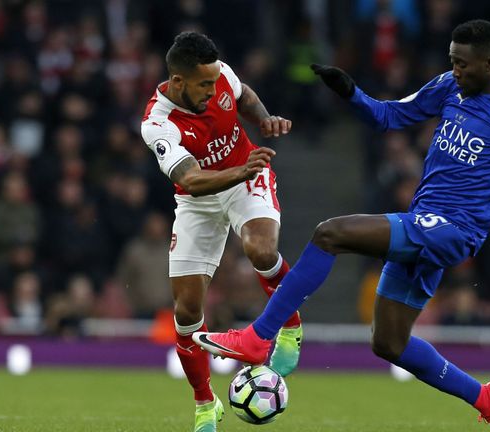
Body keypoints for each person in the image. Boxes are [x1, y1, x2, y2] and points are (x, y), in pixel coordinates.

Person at [194, 20, 490, 432]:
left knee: (329, 233)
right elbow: (388, 116)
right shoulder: (448, 87)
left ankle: (258, 336)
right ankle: (486, 398)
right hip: (425, 225)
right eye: (452, 60)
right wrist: (350, 92)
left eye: (463, 63)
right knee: (388, 343)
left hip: (453, 230)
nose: (454, 70)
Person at [139, 32, 303, 432]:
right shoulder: (157, 123)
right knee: (186, 312)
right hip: (199, 199)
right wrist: (239, 171)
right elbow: (191, 180)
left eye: (215, 82)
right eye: (204, 85)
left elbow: (243, 93)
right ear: (178, 82)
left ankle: (290, 325)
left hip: (247, 178)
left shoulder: (218, 76)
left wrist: (262, 118)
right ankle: (204, 404)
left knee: (261, 249)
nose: (214, 91)